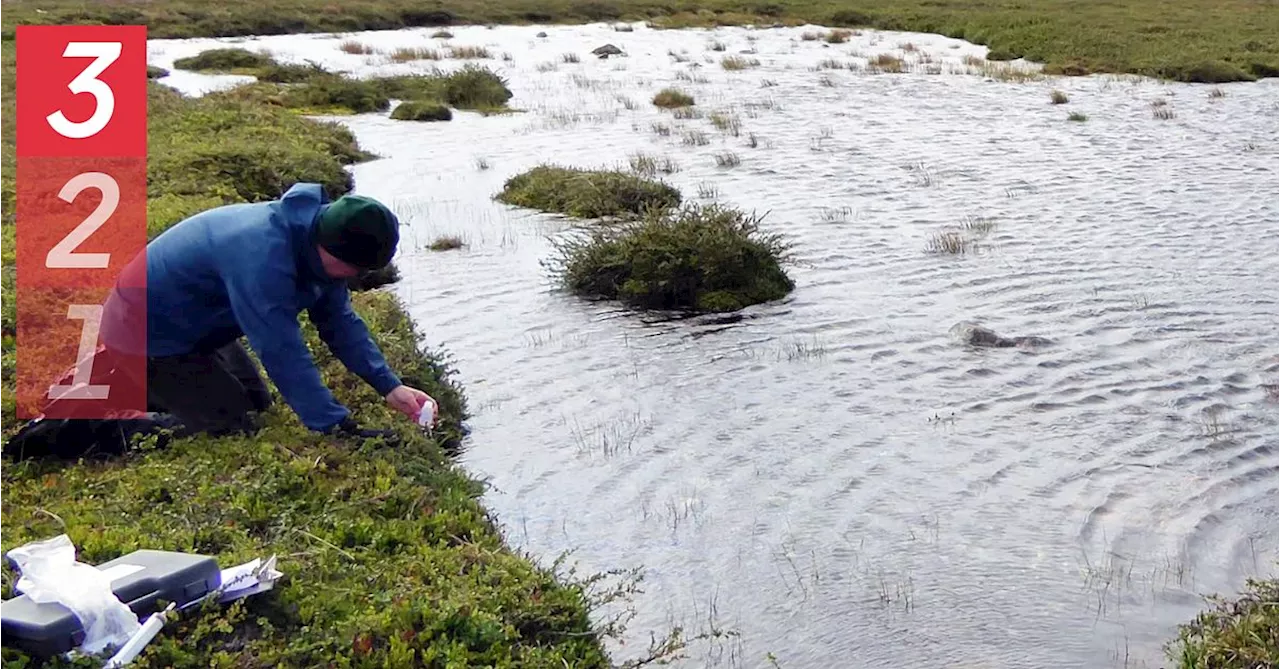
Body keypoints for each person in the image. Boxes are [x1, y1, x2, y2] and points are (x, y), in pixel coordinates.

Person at [92, 181, 438, 442]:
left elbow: (340, 322)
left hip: (197, 327)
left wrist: (390, 387)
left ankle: (142, 384)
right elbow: (280, 349)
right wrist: (336, 427)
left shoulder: (320, 243)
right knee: (230, 426)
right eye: (350, 267)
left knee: (256, 404)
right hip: (144, 333)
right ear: (326, 244)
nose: (352, 277)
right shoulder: (262, 255)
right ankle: (80, 427)